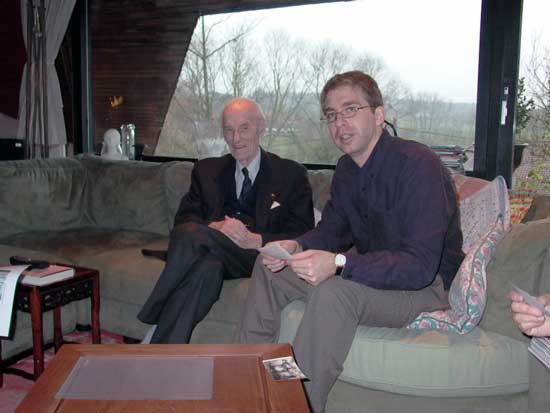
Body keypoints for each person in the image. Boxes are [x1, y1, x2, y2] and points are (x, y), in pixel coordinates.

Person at [235, 71, 465, 412]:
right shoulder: (346, 169)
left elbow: (418, 267)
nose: (339, 123)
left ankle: (294, 404)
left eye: (350, 109)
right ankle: (251, 379)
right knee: (269, 269)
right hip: (373, 278)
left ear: (378, 115)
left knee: (334, 292)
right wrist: (296, 247)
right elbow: (333, 230)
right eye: (331, 115)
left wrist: (341, 264)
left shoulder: (418, 165)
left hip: (424, 288)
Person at [138, 97, 314, 343]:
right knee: (206, 269)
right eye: (229, 130)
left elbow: (304, 232)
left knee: (191, 235)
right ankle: (161, 351)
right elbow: (183, 220)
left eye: (244, 128)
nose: (236, 138)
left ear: (261, 127)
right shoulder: (207, 170)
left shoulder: (290, 174)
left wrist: (255, 240)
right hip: (215, 252)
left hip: (258, 257)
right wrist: (217, 226)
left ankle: (156, 312)